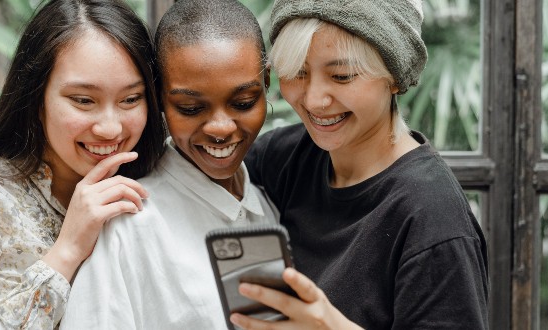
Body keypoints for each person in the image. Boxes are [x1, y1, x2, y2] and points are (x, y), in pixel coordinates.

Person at [0, 0, 166, 328]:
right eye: (84, 101)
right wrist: (67, 251)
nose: (111, 127)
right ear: (36, 98)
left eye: (130, 99)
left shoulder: (154, 190)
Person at [236, 0, 489, 329]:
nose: (313, 100)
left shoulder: (433, 220)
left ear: (394, 78)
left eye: (341, 76)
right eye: (298, 72)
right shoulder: (287, 156)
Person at [59, 0, 278, 328]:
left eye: (243, 103)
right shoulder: (129, 225)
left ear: (267, 83)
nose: (221, 127)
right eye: (190, 108)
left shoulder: (265, 206)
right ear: (159, 97)